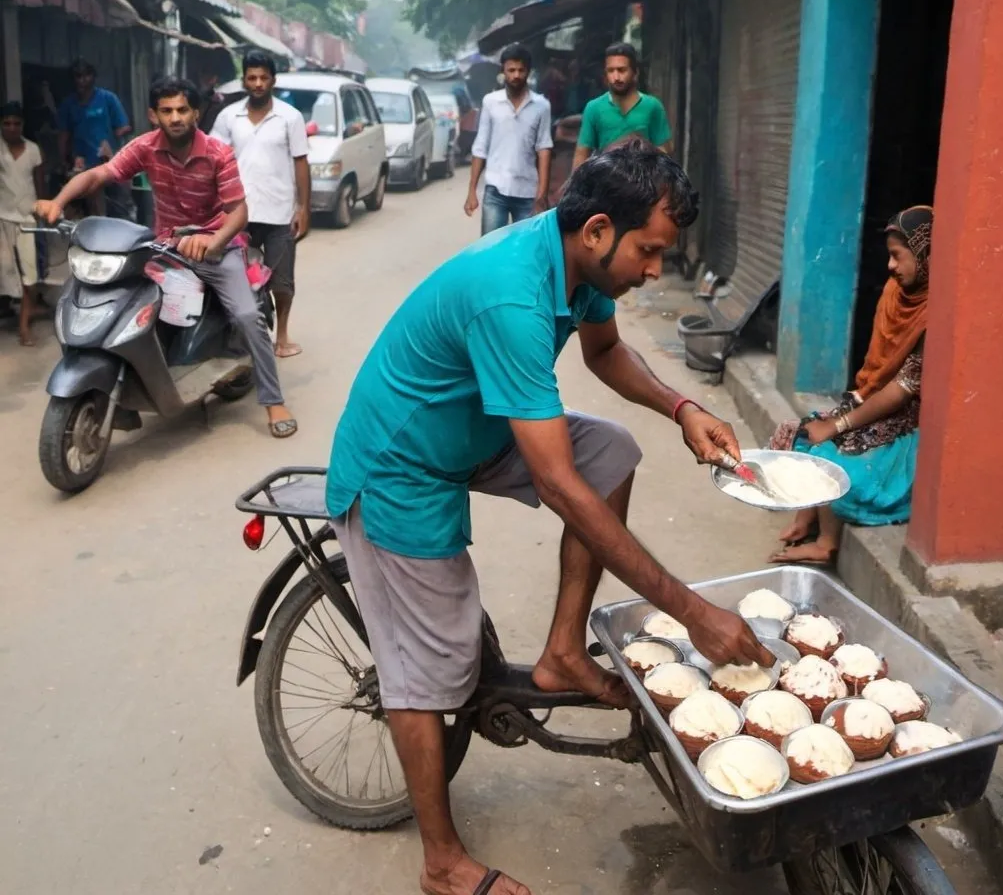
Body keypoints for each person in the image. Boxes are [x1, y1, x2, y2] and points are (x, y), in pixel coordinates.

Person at [327, 138, 772, 895]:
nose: (656, 270)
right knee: (432, 670)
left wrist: (682, 406)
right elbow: (560, 488)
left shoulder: (579, 263)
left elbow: (604, 354)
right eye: (652, 251)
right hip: (401, 464)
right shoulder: (512, 293)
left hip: (474, 430)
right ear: (598, 230)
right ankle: (441, 864)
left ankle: (562, 650)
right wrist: (692, 611)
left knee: (613, 453)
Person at [37, 77, 298, 439]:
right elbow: (100, 174)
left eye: (181, 110)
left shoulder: (217, 153)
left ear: (195, 113)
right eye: (166, 110)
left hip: (219, 244)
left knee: (247, 315)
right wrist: (58, 202)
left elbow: (238, 212)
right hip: (165, 244)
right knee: (125, 303)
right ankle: (133, 386)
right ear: (153, 115)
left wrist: (212, 240)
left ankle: (273, 400)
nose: (175, 117)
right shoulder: (145, 147)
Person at [768, 206, 934, 564]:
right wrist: (840, 415)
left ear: (925, 254)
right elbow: (877, 370)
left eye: (897, 256)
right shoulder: (896, 293)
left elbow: (901, 390)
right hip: (876, 401)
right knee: (802, 432)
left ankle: (827, 543)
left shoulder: (933, 313)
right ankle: (806, 519)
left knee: (832, 461)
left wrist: (839, 423)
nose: (890, 266)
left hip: (908, 424)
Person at [211, 51, 311, 359]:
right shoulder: (228, 117)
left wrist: (304, 208)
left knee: (282, 280)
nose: (257, 84)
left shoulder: (290, 117)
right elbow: (213, 159)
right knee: (233, 277)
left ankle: (281, 336)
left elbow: (301, 163)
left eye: (263, 78)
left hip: (279, 212)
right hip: (236, 213)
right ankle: (239, 336)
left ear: (273, 81)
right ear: (244, 80)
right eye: (252, 78)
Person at [465, 43, 553, 235]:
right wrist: (472, 190)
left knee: (525, 251)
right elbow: (480, 147)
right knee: (490, 248)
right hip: (496, 190)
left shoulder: (541, 106)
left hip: (528, 192)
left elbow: (544, 148)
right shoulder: (490, 102)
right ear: (503, 71)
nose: (516, 75)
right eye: (511, 70)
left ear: (528, 72)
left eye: (521, 70)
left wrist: (542, 192)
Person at [572, 43, 672, 171]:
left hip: (643, 185)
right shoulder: (594, 108)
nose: (616, 77)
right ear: (605, 74)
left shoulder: (653, 106)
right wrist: (577, 187)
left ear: (635, 73)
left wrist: (643, 151)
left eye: (622, 70)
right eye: (611, 71)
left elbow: (665, 151)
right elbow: (582, 154)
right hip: (605, 184)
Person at [57, 59, 134, 218]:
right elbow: (64, 135)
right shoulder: (69, 104)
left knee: (118, 210)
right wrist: (64, 162)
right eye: (78, 76)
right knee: (89, 214)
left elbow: (123, 128)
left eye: (86, 75)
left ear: (93, 76)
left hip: (111, 163)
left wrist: (111, 147)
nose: (82, 80)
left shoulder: (107, 98)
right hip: (83, 166)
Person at [0, 102, 45, 345]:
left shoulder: (33, 150)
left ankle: (24, 327)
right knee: (5, 271)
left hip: (27, 219)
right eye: (6, 123)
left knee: (30, 274)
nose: (11, 128)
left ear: (22, 125)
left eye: (16, 123)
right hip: (2, 218)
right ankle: (12, 310)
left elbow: (39, 185)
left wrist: (43, 210)